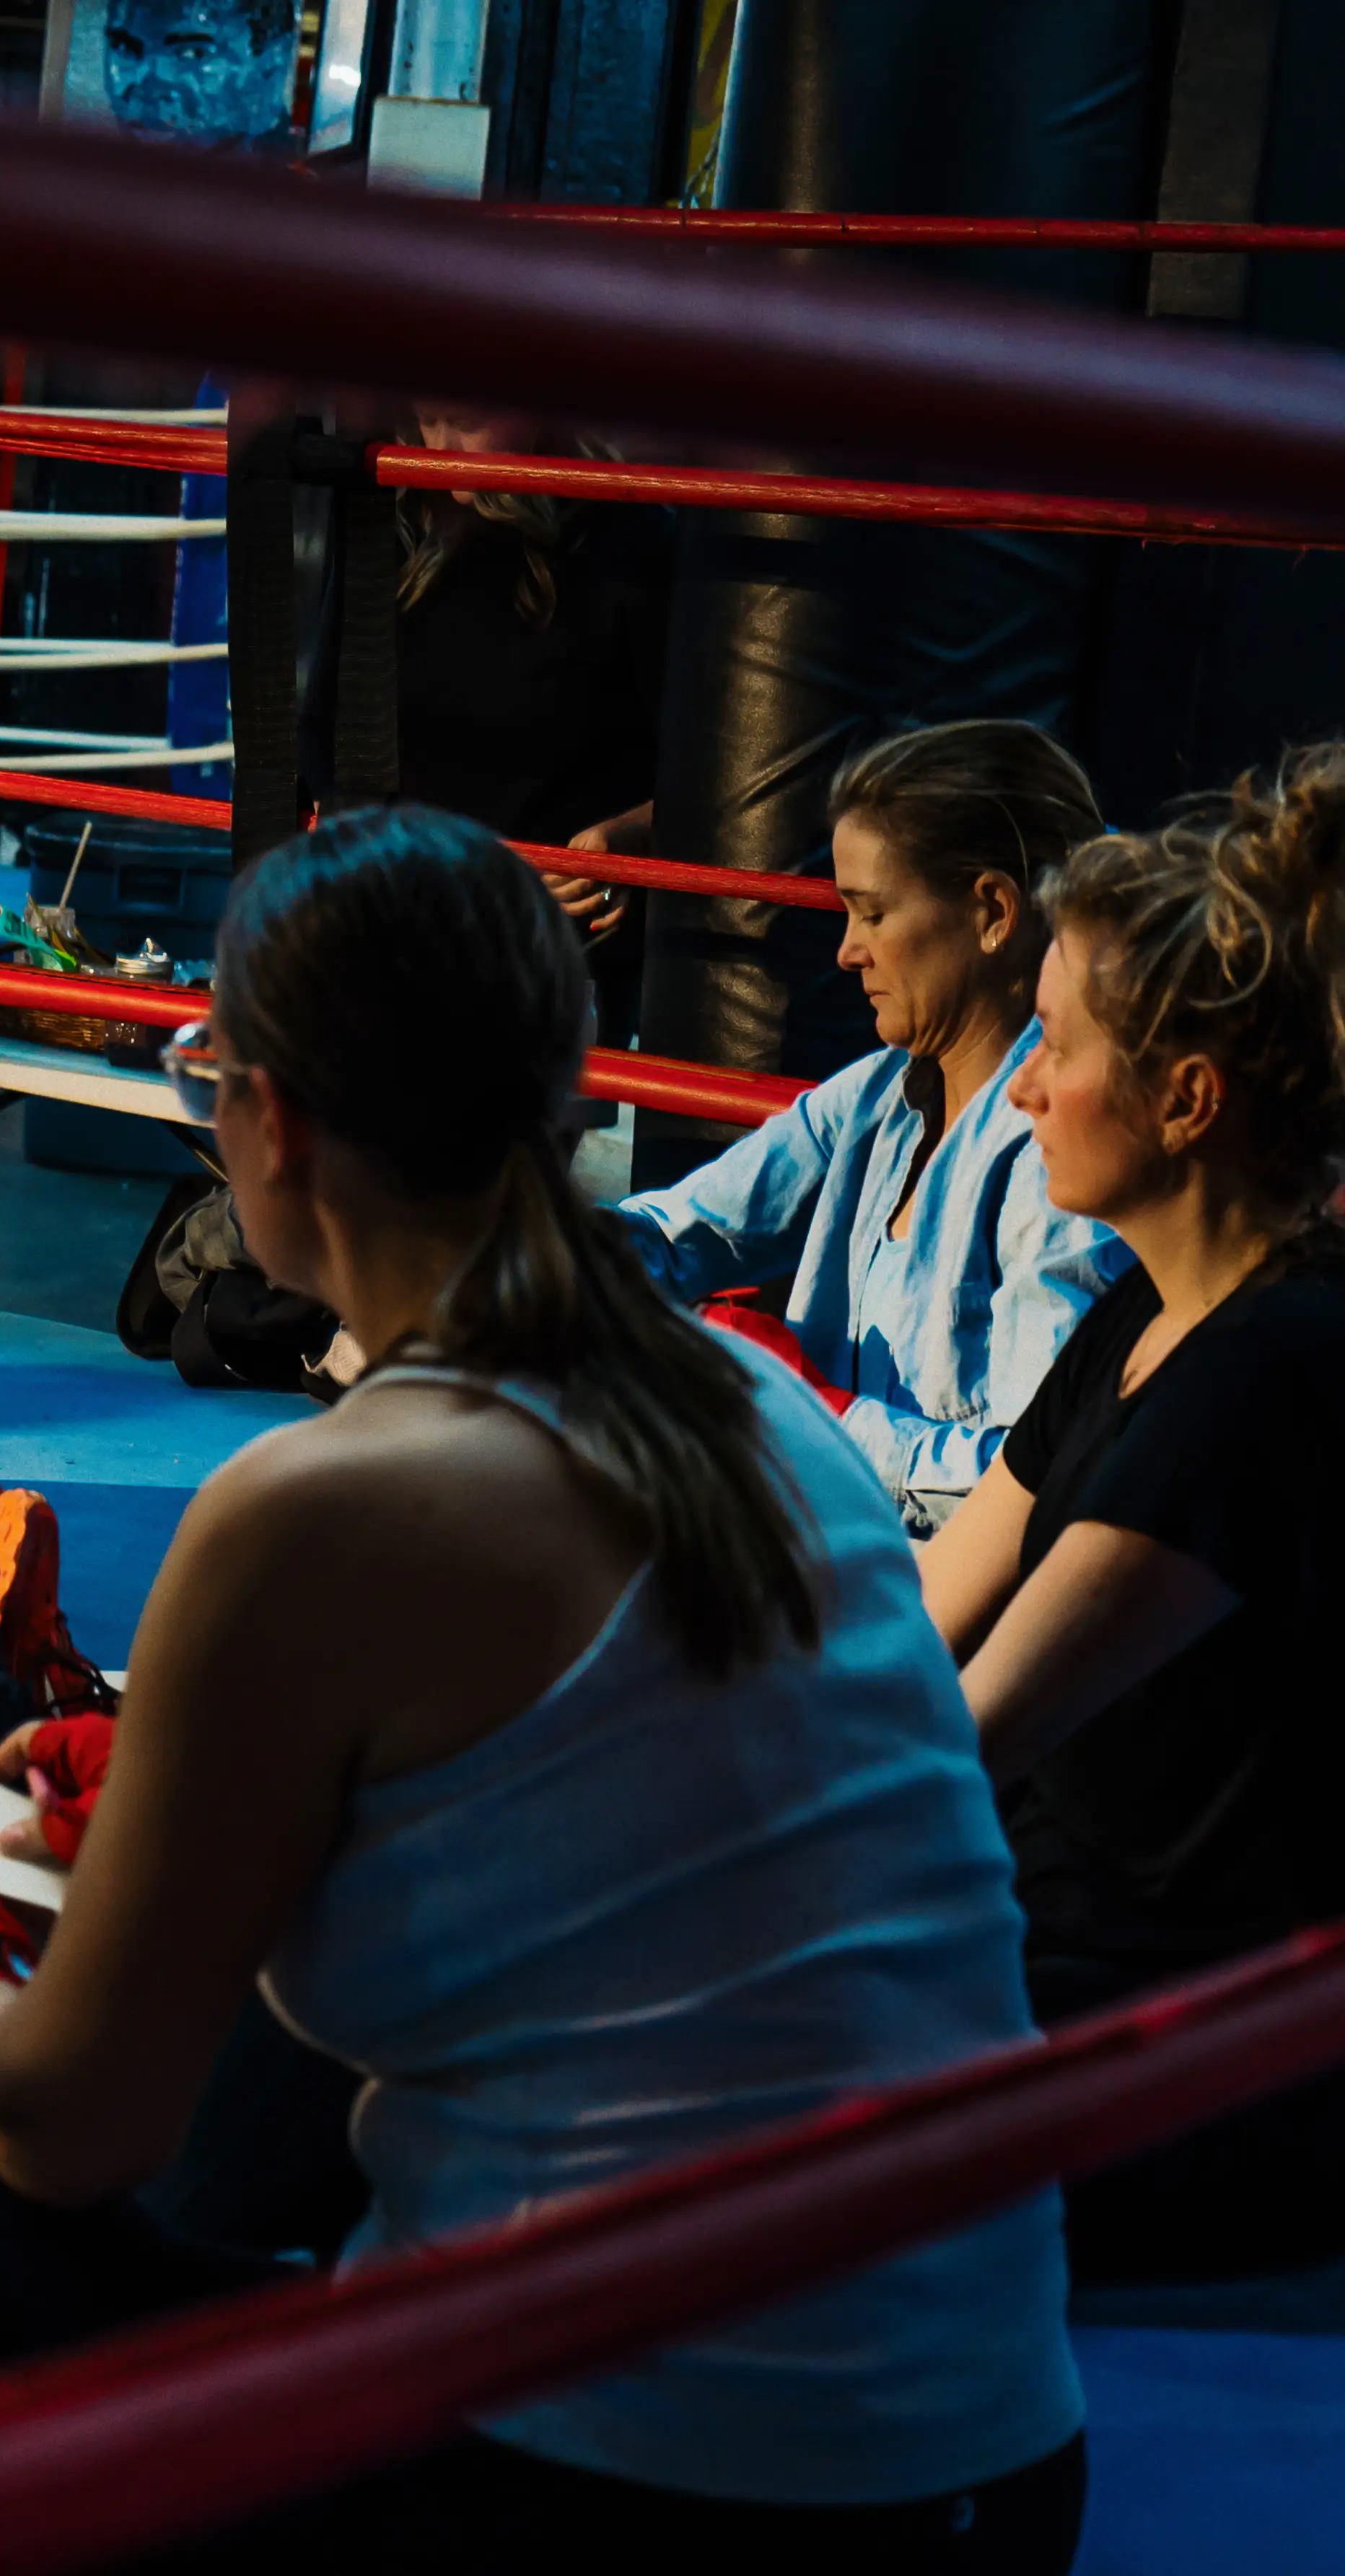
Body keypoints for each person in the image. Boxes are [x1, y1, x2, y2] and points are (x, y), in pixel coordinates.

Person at [0, 806, 1083, 2570]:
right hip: (992, 2470)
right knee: (218, 2061)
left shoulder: (321, 1505)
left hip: (617, 2496)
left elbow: (66, 2129)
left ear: (270, 1120)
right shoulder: (761, 1414)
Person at [918, 745, 1345, 2285]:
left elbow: (951, 1742)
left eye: (1052, 1042)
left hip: (1171, 2061)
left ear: (1183, 1098)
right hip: (1031, 1966)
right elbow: (909, 1613)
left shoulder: (1274, 1369)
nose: (1017, 1085)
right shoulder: (1141, 1315)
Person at [616, 721, 1129, 1531]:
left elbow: (1030, 1478)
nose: (846, 951)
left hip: (933, 1618)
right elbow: (684, 1225)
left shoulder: (1056, 1158)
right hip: (820, 1566)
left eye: (871, 914)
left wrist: (813, 1417)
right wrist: (541, 1269)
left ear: (992, 911)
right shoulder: (874, 1097)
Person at [377, 406, 674, 1042]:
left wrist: (627, 840)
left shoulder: (625, 540)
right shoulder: (406, 531)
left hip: (544, 948)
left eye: (466, 418)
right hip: (406, 925)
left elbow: (715, 764)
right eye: (428, 419)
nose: (444, 445)